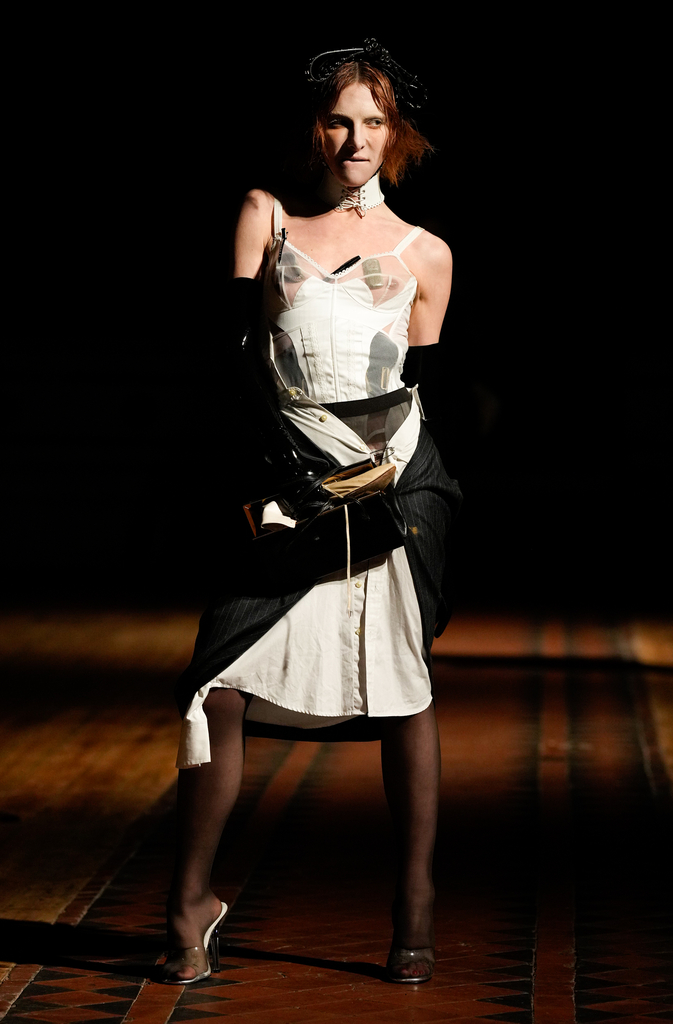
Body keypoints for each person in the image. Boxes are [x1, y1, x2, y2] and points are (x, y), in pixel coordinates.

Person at [162, 39, 462, 986]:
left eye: (375, 121)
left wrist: (387, 480)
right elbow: (228, 363)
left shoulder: (426, 253)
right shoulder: (267, 217)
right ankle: (188, 906)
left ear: (397, 135)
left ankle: (414, 909)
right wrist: (277, 473)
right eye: (340, 120)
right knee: (219, 685)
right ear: (314, 129)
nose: (357, 138)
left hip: (391, 488)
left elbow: (418, 386)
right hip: (286, 480)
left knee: (402, 690)